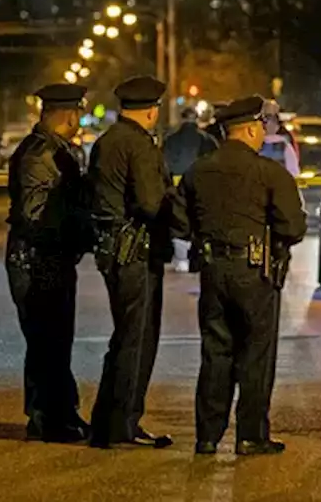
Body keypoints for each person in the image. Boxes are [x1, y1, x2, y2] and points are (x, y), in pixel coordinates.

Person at [182, 96, 308, 456]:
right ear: (251, 129)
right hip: (255, 272)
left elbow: (178, 216)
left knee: (215, 352)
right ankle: (251, 434)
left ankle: (207, 436)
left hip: (212, 269)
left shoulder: (198, 170)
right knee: (255, 353)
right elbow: (294, 227)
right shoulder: (269, 173)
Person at [87, 75, 186, 449]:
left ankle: (106, 423)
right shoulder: (139, 145)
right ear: (151, 110)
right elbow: (151, 202)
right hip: (137, 253)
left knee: (124, 337)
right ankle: (122, 425)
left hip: (115, 251)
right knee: (137, 341)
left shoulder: (107, 141)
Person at [6, 83, 91, 443]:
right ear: (68, 115)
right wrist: (73, 231)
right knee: (46, 341)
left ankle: (61, 412)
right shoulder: (39, 155)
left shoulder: (56, 151)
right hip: (37, 261)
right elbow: (36, 215)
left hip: (50, 259)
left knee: (56, 341)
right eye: (77, 114)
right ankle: (47, 419)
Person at [163, 105, 219, 273]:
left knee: (180, 220)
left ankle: (181, 258)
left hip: (176, 185)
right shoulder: (207, 140)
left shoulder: (170, 139)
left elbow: (163, 163)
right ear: (196, 119)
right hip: (201, 184)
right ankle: (199, 256)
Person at [258, 99, 300, 177]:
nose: (265, 123)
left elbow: (293, 171)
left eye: (269, 118)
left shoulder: (284, 143)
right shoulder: (254, 143)